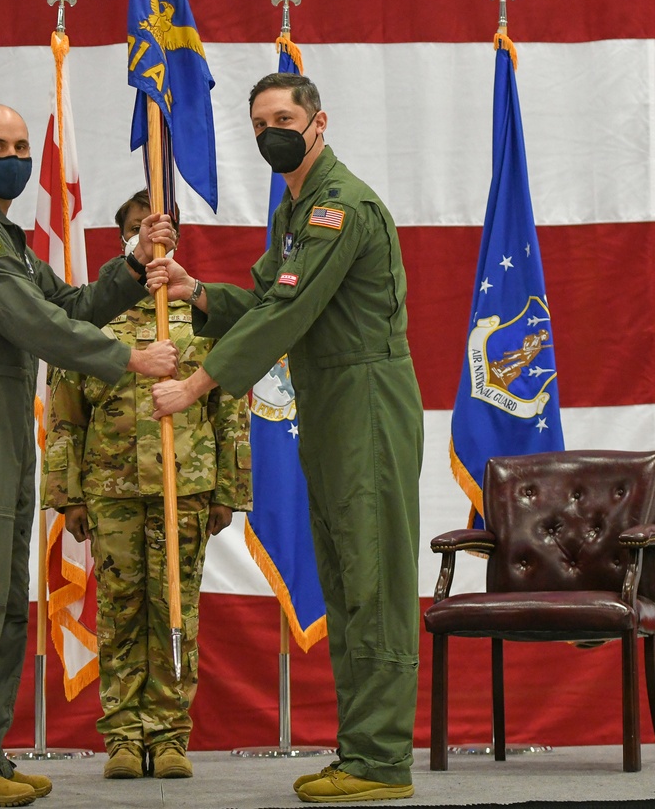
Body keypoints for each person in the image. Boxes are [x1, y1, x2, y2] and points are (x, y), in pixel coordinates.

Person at [150, 73, 423, 804]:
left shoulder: (341, 207)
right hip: (328, 399)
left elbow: (283, 319)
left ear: (318, 122)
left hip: (365, 395)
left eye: (284, 117)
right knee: (341, 574)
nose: (272, 130)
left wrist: (198, 385)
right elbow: (265, 300)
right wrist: (196, 292)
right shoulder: (295, 212)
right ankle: (361, 748)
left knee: (374, 577)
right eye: (260, 120)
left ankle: (382, 759)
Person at [0, 105, 179, 808]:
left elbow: (71, 302)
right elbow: (34, 323)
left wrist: (133, 262)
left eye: (22, 145)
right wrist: (132, 359)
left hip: (0, 413)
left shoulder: (8, 238)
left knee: (0, 594)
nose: (14, 156)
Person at [41, 189, 252, 781]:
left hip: (183, 485)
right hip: (111, 490)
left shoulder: (198, 313)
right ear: (123, 241)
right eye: (139, 230)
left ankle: (170, 733)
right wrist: (69, 494)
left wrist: (228, 491)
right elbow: (64, 412)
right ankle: (124, 739)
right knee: (120, 610)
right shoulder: (95, 316)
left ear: (177, 241)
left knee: (176, 609)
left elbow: (229, 403)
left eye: (161, 230)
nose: (151, 238)